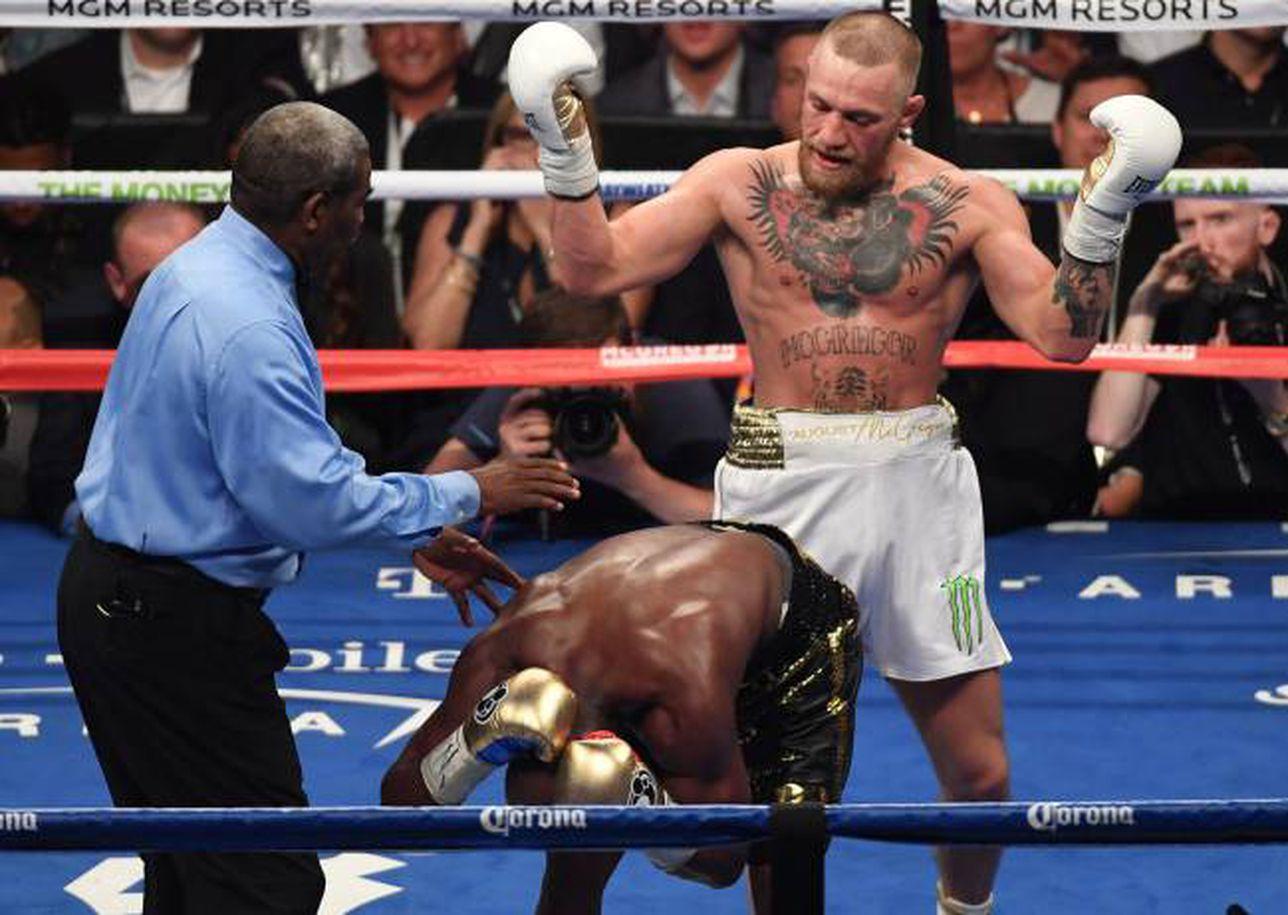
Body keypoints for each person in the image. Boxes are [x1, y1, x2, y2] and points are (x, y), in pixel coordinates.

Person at [505, 13, 1182, 912]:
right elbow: (594, 273)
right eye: (816, 104)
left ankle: (962, 910)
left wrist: (1101, 217)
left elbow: (1065, 336)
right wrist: (563, 147)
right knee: (779, 787)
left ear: (906, 110)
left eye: (858, 118)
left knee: (980, 775)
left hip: (916, 489)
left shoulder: (968, 201)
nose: (828, 132)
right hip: (777, 492)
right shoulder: (736, 182)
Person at [55, 101, 580, 913]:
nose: (361, 221)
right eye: (358, 202)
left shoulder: (203, 268)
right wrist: (474, 487)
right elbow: (306, 500)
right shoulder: (249, 321)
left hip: (124, 597)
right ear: (313, 212)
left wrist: (413, 527)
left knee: (193, 872)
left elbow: (259, 468)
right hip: (166, 626)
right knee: (262, 881)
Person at [382, 521, 860, 914]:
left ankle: (636, 797)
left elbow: (726, 858)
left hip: (794, 623)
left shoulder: (677, 697)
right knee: (587, 811)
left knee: (790, 841)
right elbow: (399, 810)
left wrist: (643, 805)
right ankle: (616, 795)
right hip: (672, 576)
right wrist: (473, 746)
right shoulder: (510, 645)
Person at [1087, 143, 1288, 519]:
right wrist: (1143, 305)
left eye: (1220, 219)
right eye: (1187, 225)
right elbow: (1108, 431)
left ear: (1267, 226)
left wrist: (1273, 401)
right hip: (1180, 522)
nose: (1201, 241)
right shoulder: (1172, 309)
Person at [426, 288, 730, 533]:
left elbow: (735, 520)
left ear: (633, 352)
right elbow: (426, 509)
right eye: (566, 382)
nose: (583, 395)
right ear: (530, 368)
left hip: (656, 549)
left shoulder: (674, 385)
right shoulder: (526, 394)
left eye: (599, 378)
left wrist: (635, 478)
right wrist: (501, 469)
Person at [27, 203, 206, 535]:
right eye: (151, 284)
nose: (172, 300)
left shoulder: (255, 333)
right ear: (117, 282)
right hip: (118, 538)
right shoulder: (81, 339)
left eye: (188, 278)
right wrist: (102, 527)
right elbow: (51, 476)